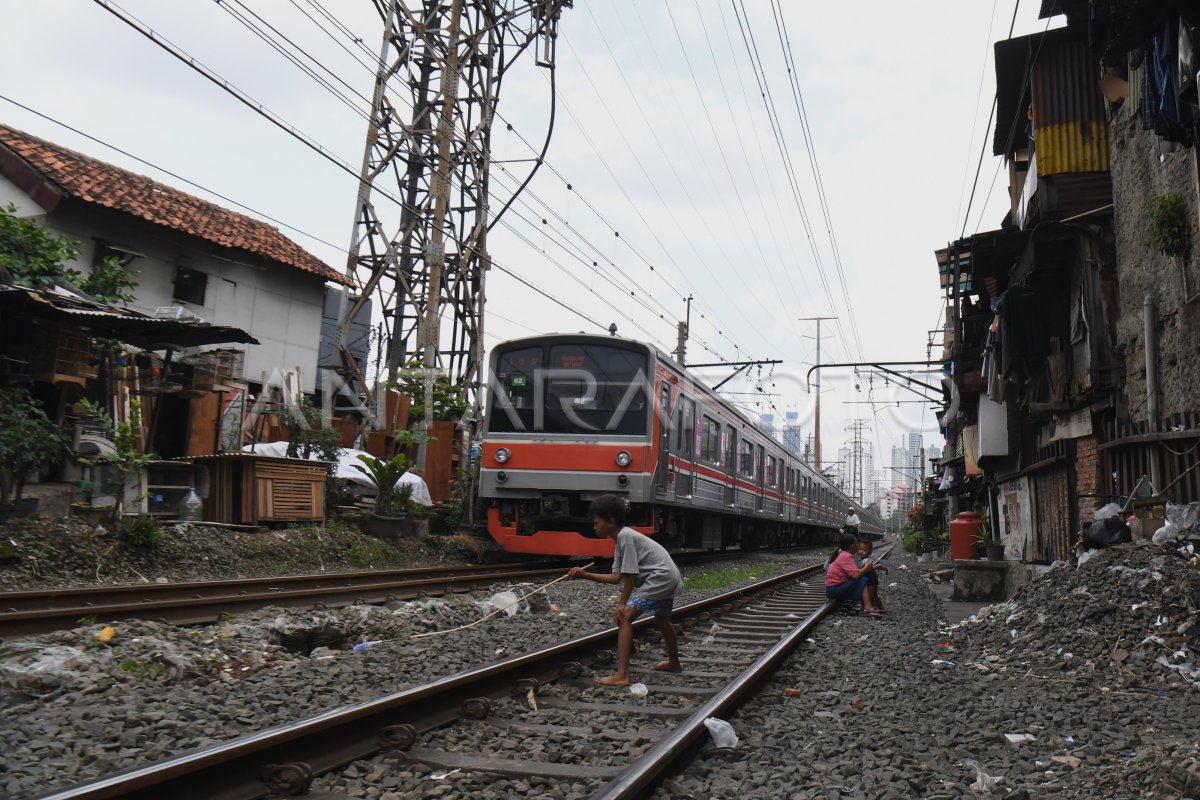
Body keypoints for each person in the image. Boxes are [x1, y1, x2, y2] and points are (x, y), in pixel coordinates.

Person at [568, 494, 684, 686]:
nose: (594, 526)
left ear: (610, 522)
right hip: (667, 577)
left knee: (624, 617)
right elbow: (616, 578)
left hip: (660, 578)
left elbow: (630, 574)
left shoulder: (626, 537)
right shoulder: (621, 541)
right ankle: (674, 664)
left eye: (597, 523)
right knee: (662, 620)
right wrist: (583, 574)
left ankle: (622, 675)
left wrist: (622, 604)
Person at [825, 532, 880, 616]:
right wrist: (867, 567)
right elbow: (856, 575)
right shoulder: (846, 556)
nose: (858, 545)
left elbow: (855, 572)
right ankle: (868, 606)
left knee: (863, 577)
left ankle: (869, 604)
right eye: (857, 543)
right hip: (834, 590)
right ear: (852, 545)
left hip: (834, 588)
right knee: (862, 579)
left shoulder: (844, 555)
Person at [858, 539, 888, 613]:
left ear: (870, 552)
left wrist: (878, 566)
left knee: (871, 595)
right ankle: (880, 607)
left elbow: (866, 569)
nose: (861, 552)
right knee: (874, 595)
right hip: (870, 578)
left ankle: (874, 607)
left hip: (871, 579)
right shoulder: (861, 559)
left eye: (864, 550)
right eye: (860, 549)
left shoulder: (867, 560)